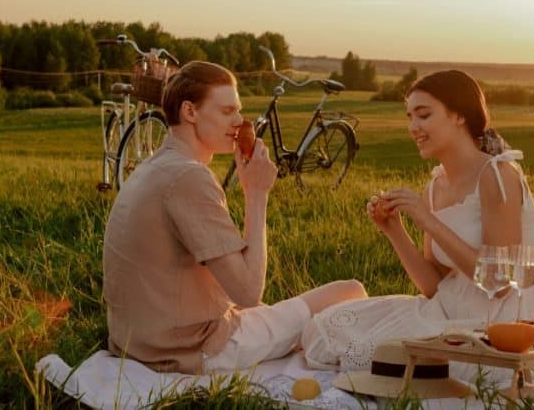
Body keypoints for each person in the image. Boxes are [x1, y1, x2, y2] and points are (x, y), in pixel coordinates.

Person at [103, 61, 367, 375]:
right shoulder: (189, 177)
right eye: (227, 111)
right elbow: (248, 293)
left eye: (238, 111)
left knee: (294, 316)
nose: (240, 121)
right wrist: (256, 194)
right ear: (190, 112)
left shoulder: (157, 166)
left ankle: (300, 338)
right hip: (191, 350)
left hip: (139, 343)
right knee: (349, 291)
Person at [301, 70, 534, 382]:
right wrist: (393, 230)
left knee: (379, 354)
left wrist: (428, 220)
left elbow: (501, 282)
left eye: (423, 115)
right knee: (327, 325)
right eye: (410, 116)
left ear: (459, 116)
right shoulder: (436, 186)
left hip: (501, 327)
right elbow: (433, 286)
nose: (414, 127)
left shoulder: (499, 174)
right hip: (447, 310)